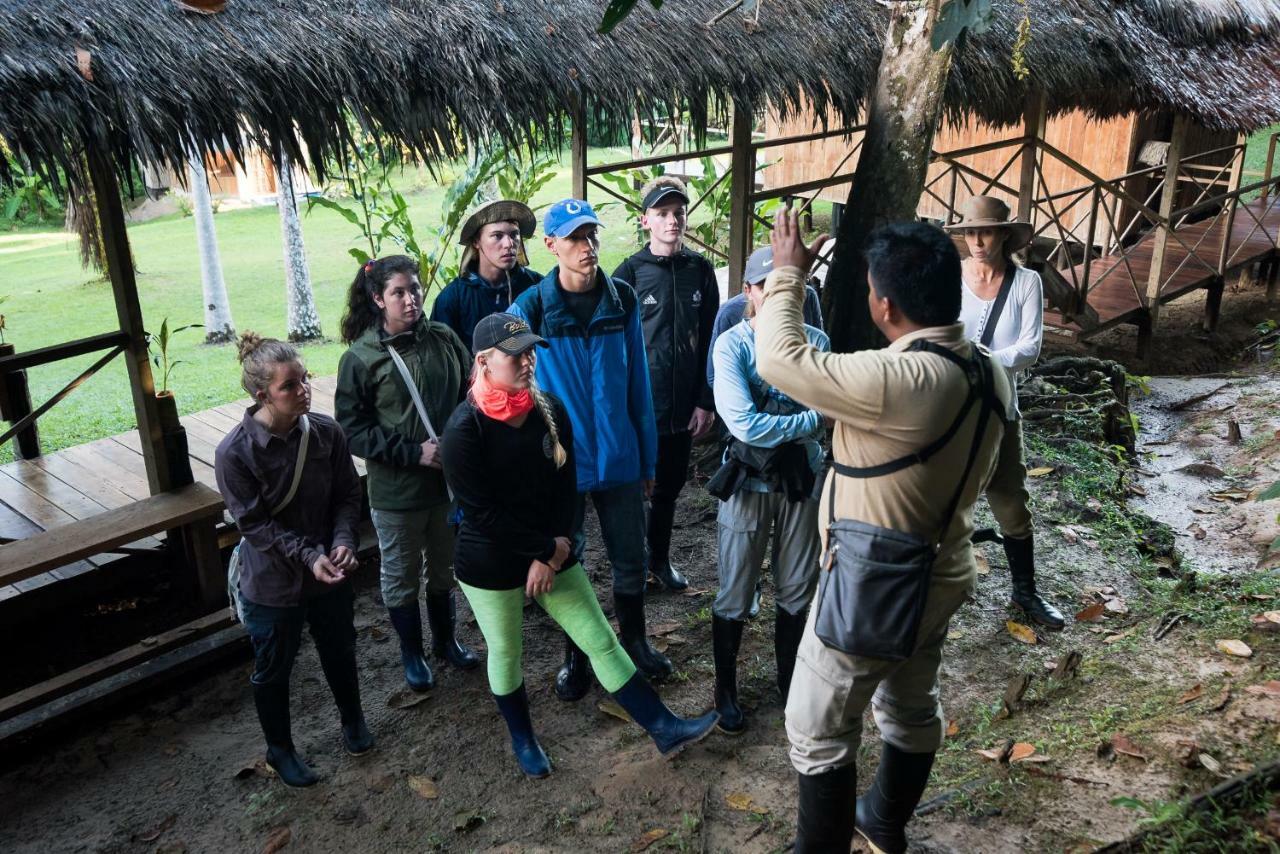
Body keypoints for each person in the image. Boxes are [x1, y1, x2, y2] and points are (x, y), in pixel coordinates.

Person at [755, 210, 1024, 853]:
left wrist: (789, 276)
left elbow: (779, 358)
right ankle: (882, 827)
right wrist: (1024, 567)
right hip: (944, 572)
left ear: (884, 305)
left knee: (817, 729)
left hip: (874, 585)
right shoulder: (991, 370)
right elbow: (1009, 487)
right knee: (909, 703)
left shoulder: (898, 379)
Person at [441, 313, 719, 777]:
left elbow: (567, 485)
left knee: (600, 640)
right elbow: (483, 515)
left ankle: (664, 728)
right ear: (484, 361)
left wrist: (555, 550)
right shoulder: (463, 430)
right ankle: (524, 739)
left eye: (531, 351)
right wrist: (541, 551)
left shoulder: (549, 407)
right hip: (489, 562)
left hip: (552, 549)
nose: (528, 361)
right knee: (508, 654)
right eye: (516, 355)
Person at [509, 198, 671, 699]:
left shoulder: (620, 298)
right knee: (566, 559)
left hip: (620, 458)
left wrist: (647, 461)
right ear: (551, 244)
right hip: (561, 465)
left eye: (592, 236)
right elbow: (511, 382)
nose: (588, 247)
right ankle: (574, 659)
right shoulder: (531, 308)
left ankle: (636, 644)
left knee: (630, 555)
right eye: (576, 238)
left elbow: (639, 389)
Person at [215, 333, 371, 788]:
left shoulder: (326, 432)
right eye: (290, 386)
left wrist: (344, 540)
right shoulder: (234, 453)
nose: (304, 389)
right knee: (273, 667)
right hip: (272, 581)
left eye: (305, 379)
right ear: (262, 395)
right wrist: (309, 556)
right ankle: (279, 749)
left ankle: (353, 720)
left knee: (339, 647)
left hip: (329, 568)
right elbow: (255, 526)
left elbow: (347, 494)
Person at [335, 255, 478, 696]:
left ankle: (445, 641)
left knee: (443, 568)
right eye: (398, 292)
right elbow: (352, 430)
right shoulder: (361, 359)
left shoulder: (443, 338)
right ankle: (412, 654)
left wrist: (459, 445)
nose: (410, 298)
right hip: (397, 490)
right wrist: (412, 452)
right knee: (400, 575)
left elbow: (470, 395)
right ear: (378, 299)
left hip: (448, 485)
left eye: (415, 288)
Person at [708, 251, 828, 734]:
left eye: (790, 288)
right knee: (736, 585)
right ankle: (725, 689)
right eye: (769, 287)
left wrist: (796, 425)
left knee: (797, 584)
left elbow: (822, 399)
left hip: (800, 480)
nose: (781, 298)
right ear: (749, 292)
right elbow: (743, 424)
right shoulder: (733, 346)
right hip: (749, 479)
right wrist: (811, 421)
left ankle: (789, 680)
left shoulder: (816, 342)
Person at [945, 195, 1064, 630]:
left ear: (1004, 235)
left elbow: (1031, 348)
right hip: (950, 410)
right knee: (939, 499)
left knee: (1011, 503)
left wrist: (981, 361)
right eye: (971, 232)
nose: (977, 241)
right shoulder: (950, 277)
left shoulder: (1027, 282)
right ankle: (935, 589)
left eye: (987, 232)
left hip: (1000, 409)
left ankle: (1025, 593)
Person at [612, 176, 719, 592]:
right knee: (636, 489)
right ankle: (633, 567)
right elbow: (614, 345)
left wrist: (704, 401)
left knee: (669, 489)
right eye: (662, 214)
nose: (672, 221)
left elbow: (711, 336)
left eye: (679, 213)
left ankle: (660, 560)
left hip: (683, 406)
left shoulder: (700, 269)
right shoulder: (629, 273)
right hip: (641, 405)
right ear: (645, 221)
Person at [430, 200, 542, 352]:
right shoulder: (452, 298)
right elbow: (443, 358)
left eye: (514, 234)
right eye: (497, 236)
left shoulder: (537, 287)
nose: (509, 244)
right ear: (476, 241)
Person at [706, 246, 824, 388]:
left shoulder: (808, 297)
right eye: (764, 287)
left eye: (783, 284)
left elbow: (818, 359)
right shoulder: (730, 314)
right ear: (748, 290)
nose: (774, 294)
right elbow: (714, 377)